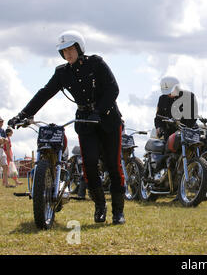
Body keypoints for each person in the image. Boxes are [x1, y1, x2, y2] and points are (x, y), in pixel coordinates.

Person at [8, 30, 126, 224]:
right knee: (89, 164)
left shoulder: (97, 63)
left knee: (113, 166)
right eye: (64, 51)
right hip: (84, 121)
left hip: (108, 119)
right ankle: (100, 207)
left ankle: (118, 213)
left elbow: (114, 89)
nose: (68, 54)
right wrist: (23, 114)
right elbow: (44, 93)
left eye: (71, 49)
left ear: (79, 48)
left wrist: (99, 111)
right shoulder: (62, 73)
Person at [154, 76, 199, 141]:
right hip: (169, 135)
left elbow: (192, 118)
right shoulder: (162, 99)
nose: (168, 94)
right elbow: (158, 117)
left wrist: (180, 131)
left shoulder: (189, 96)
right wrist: (159, 127)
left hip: (189, 134)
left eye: (170, 91)